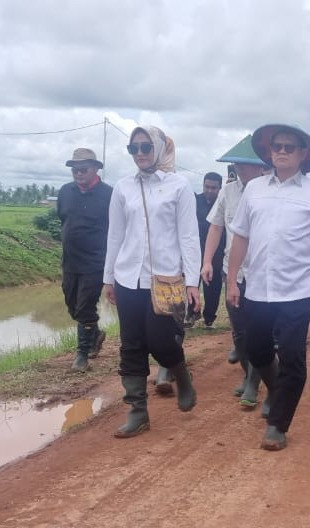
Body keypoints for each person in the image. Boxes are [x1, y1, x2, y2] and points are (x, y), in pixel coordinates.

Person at [227, 123, 310, 450]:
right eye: (277, 146)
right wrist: (232, 279)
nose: (282, 151)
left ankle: (278, 424)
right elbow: (240, 235)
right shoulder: (254, 189)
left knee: (292, 358)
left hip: (297, 291)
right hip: (256, 288)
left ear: (303, 154)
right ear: (269, 153)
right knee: (255, 350)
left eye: (289, 147)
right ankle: (277, 389)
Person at [103, 125, 201, 438]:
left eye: (146, 147)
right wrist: (108, 278)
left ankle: (179, 371)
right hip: (128, 278)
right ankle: (138, 411)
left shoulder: (179, 186)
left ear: (158, 148)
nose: (140, 154)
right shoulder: (122, 187)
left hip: (167, 280)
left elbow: (188, 236)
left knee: (161, 341)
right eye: (134, 149)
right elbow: (115, 234)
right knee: (131, 345)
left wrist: (193, 282)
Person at [201, 135, 269, 407]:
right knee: (239, 332)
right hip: (234, 272)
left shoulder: (270, 191)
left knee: (258, 331)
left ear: (259, 165)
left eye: (243, 165)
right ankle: (247, 374)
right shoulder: (228, 192)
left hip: (262, 273)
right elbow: (216, 227)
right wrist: (207, 261)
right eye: (236, 165)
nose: (238, 169)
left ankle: (254, 382)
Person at [57, 148, 113, 372]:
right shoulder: (65, 192)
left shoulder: (109, 194)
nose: (78, 173)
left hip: (96, 261)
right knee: (73, 307)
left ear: (96, 169)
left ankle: (82, 355)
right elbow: (63, 218)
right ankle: (95, 334)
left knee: (84, 307)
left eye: (83, 169)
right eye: (74, 170)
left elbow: (116, 228)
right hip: (70, 261)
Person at [185, 172, 225, 329]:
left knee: (213, 288)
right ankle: (192, 314)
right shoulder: (195, 201)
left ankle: (209, 318)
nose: (209, 190)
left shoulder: (222, 203)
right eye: (207, 186)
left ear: (219, 188)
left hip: (216, 253)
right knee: (192, 282)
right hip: (195, 251)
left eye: (213, 188)